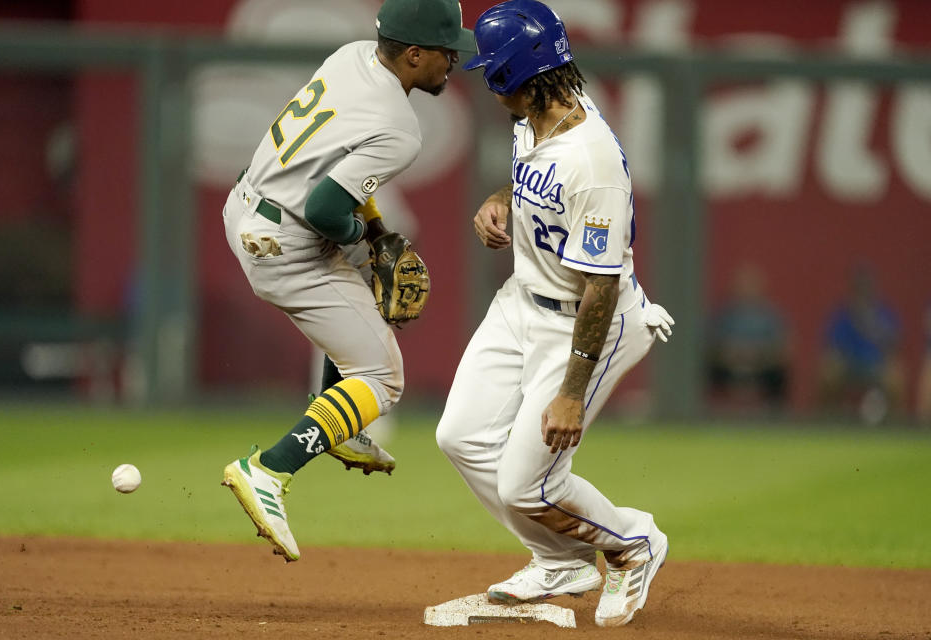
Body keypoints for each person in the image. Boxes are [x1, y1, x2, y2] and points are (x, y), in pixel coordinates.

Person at [435, 0, 674, 628]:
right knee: (459, 436)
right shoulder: (537, 118)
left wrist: (571, 392)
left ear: (518, 76)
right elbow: (533, 179)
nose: (487, 83)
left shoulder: (592, 163)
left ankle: (632, 543)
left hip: (587, 322)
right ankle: (561, 559)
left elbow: (598, 290)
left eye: (493, 72)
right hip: (522, 302)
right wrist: (499, 200)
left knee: (525, 485)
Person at [220, 0, 475, 561]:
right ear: (413, 55)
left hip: (246, 206)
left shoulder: (351, 56)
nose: (454, 59)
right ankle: (268, 469)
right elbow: (328, 206)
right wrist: (367, 233)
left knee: (372, 284)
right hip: (290, 243)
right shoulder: (401, 128)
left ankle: (339, 419)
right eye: (445, 50)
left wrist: (377, 232)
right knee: (384, 380)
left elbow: (334, 167)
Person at [818, 266, 903, 422]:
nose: (863, 290)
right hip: (849, 365)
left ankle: (894, 423)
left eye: (866, 286)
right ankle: (830, 420)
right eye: (859, 286)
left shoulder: (884, 315)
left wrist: (889, 362)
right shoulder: (842, 314)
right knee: (829, 372)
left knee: (895, 376)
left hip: (876, 365)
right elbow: (833, 347)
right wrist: (836, 362)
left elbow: (893, 345)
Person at [707, 263, 789, 410]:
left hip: (763, 366)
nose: (747, 290)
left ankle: (776, 418)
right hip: (729, 365)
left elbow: (783, 346)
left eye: (751, 285)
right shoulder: (726, 316)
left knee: (779, 375)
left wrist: (758, 356)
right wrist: (733, 355)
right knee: (709, 371)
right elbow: (713, 345)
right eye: (743, 285)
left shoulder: (770, 316)